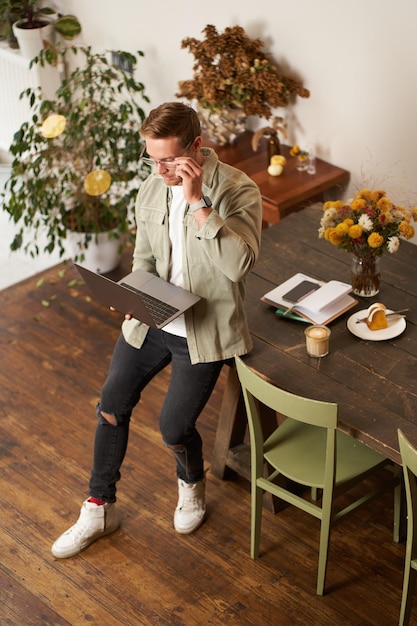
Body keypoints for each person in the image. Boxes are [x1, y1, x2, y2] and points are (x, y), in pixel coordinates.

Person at [51, 102, 263, 558]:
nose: (161, 169)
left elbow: (240, 266)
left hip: (204, 328)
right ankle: (99, 507)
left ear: (197, 147)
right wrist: (132, 296)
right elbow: (145, 259)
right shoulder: (150, 189)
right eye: (153, 158)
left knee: (173, 427)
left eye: (169, 159)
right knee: (110, 405)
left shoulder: (237, 190)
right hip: (154, 316)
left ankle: (191, 484)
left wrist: (197, 201)